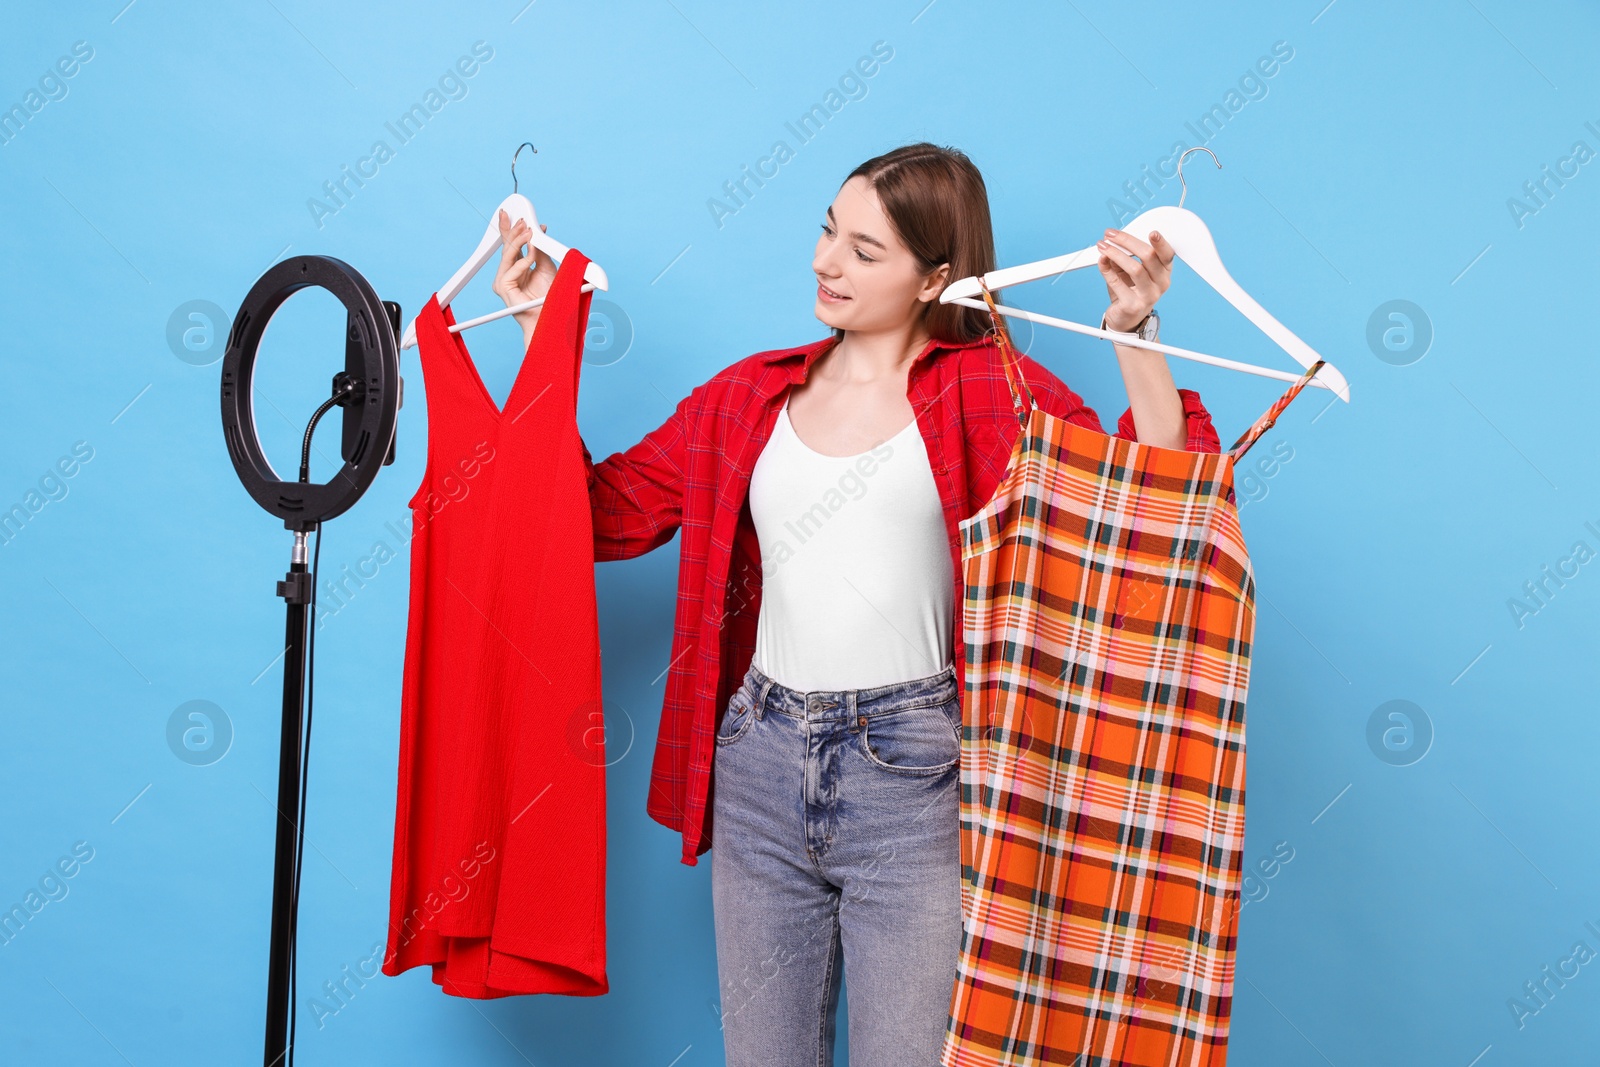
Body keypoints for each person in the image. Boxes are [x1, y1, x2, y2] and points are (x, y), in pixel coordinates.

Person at [490, 142, 1221, 1066]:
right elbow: (592, 513)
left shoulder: (987, 391)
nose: (826, 262)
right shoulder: (747, 396)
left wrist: (1133, 334)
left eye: (866, 251)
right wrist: (538, 344)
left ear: (936, 278)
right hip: (757, 765)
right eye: (829, 231)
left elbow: (1156, 501)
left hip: (915, 780)